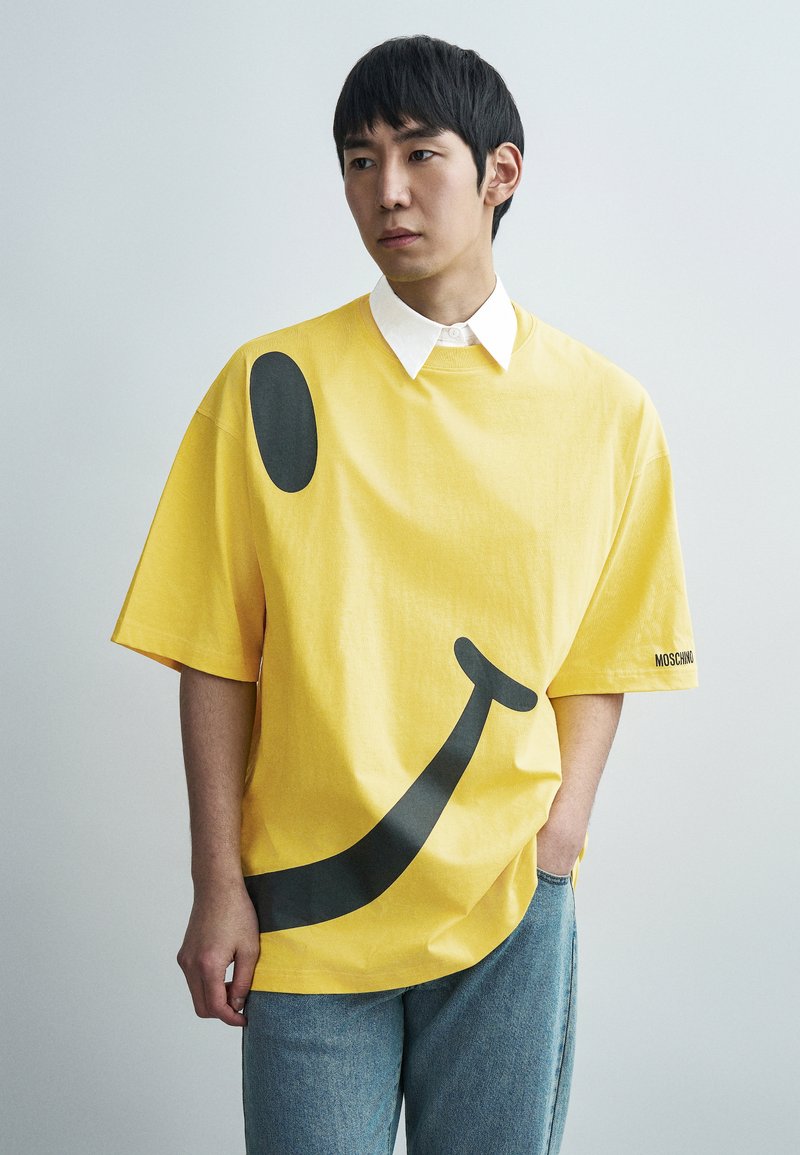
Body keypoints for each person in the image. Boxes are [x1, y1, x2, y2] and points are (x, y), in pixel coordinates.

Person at [111, 33, 697, 1155]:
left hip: (508, 899)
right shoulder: (270, 384)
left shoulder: (606, 411)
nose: (386, 190)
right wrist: (216, 880)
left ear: (499, 173)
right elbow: (214, 649)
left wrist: (557, 838)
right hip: (307, 902)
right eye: (357, 161)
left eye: (420, 154)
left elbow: (604, 656)